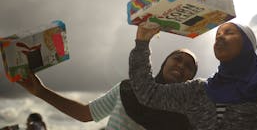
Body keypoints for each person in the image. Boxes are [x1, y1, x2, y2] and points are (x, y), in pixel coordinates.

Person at [129, 22, 257, 129]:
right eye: (217, 35)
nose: (220, 37)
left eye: (229, 32)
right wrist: (142, 43)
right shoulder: (198, 90)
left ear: (247, 44)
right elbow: (147, 93)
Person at [18, 49, 198, 130]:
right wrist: (41, 91)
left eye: (189, 66)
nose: (181, 65)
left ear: (191, 78)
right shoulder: (128, 89)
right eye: (177, 58)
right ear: (165, 62)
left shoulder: (188, 117)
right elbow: (84, 114)